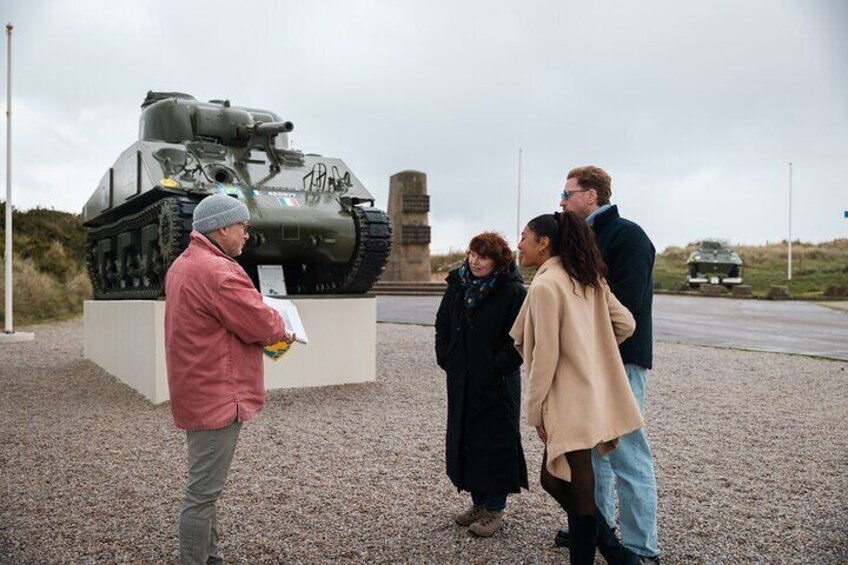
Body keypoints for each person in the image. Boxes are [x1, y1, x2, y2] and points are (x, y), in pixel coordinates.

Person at [164, 193, 294, 565]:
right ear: (222, 228)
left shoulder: (185, 264)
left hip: (196, 386)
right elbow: (262, 324)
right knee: (202, 493)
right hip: (217, 392)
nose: (246, 234)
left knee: (204, 488)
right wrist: (282, 325)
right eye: (242, 226)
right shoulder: (220, 272)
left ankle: (211, 558)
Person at [510, 213, 644, 565]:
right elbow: (625, 324)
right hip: (588, 397)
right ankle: (617, 554)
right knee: (557, 480)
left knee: (576, 489)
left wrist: (535, 410)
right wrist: (591, 351)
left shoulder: (545, 286)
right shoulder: (587, 276)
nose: (519, 244)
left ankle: (614, 556)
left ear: (544, 243)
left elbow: (545, 356)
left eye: (524, 236)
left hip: (568, 401)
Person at [559, 165, 660, 564]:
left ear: (592, 196)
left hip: (622, 358)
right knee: (591, 450)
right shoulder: (579, 238)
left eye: (568, 194)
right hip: (587, 359)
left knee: (627, 451)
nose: (562, 202)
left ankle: (641, 547)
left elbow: (627, 305)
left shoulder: (629, 236)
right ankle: (596, 531)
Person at [434, 232, 528, 537]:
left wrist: (497, 366)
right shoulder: (458, 284)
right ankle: (477, 502)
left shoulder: (513, 292)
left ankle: (494, 508)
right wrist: (446, 356)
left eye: (483, 256)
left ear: (497, 260)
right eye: (473, 254)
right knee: (467, 437)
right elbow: (443, 324)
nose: (475, 261)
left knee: (495, 442)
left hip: (496, 382)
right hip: (462, 376)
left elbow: (520, 339)